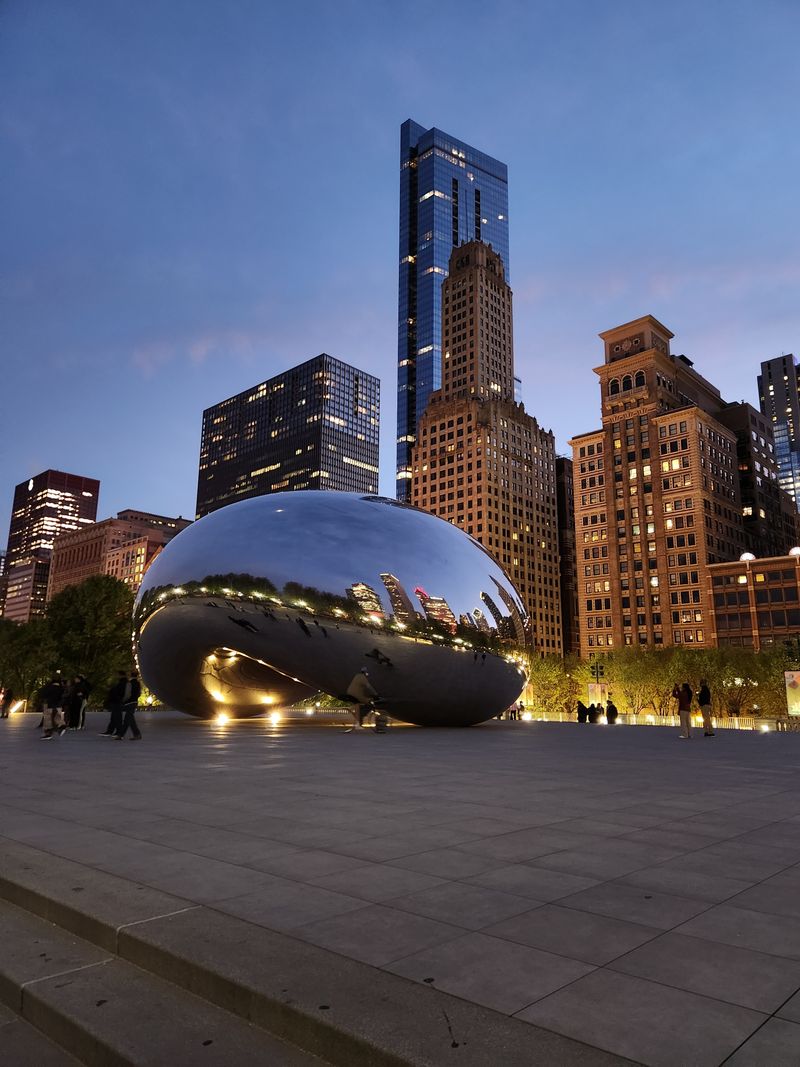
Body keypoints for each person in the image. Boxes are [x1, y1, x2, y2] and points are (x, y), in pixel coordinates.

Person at [115, 670, 142, 740]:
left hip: (129, 702)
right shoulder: (138, 683)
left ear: (130, 675)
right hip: (134, 702)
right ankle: (135, 734)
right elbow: (139, 693)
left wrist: (124, 700)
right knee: (129, 719)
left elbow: (127, 693)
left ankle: (122, 735)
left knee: (128, 719)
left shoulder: (129, 683)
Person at [100, 672, 128, 736]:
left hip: (117, 702)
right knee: (114, 717)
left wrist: (115, 697)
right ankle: (111, 731)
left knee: (117, 717)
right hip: (116, 701)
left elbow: (119, 692)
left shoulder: (122, 683)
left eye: (117, 675)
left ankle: (117, 732)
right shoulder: (122, 683)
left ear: (120, 675)